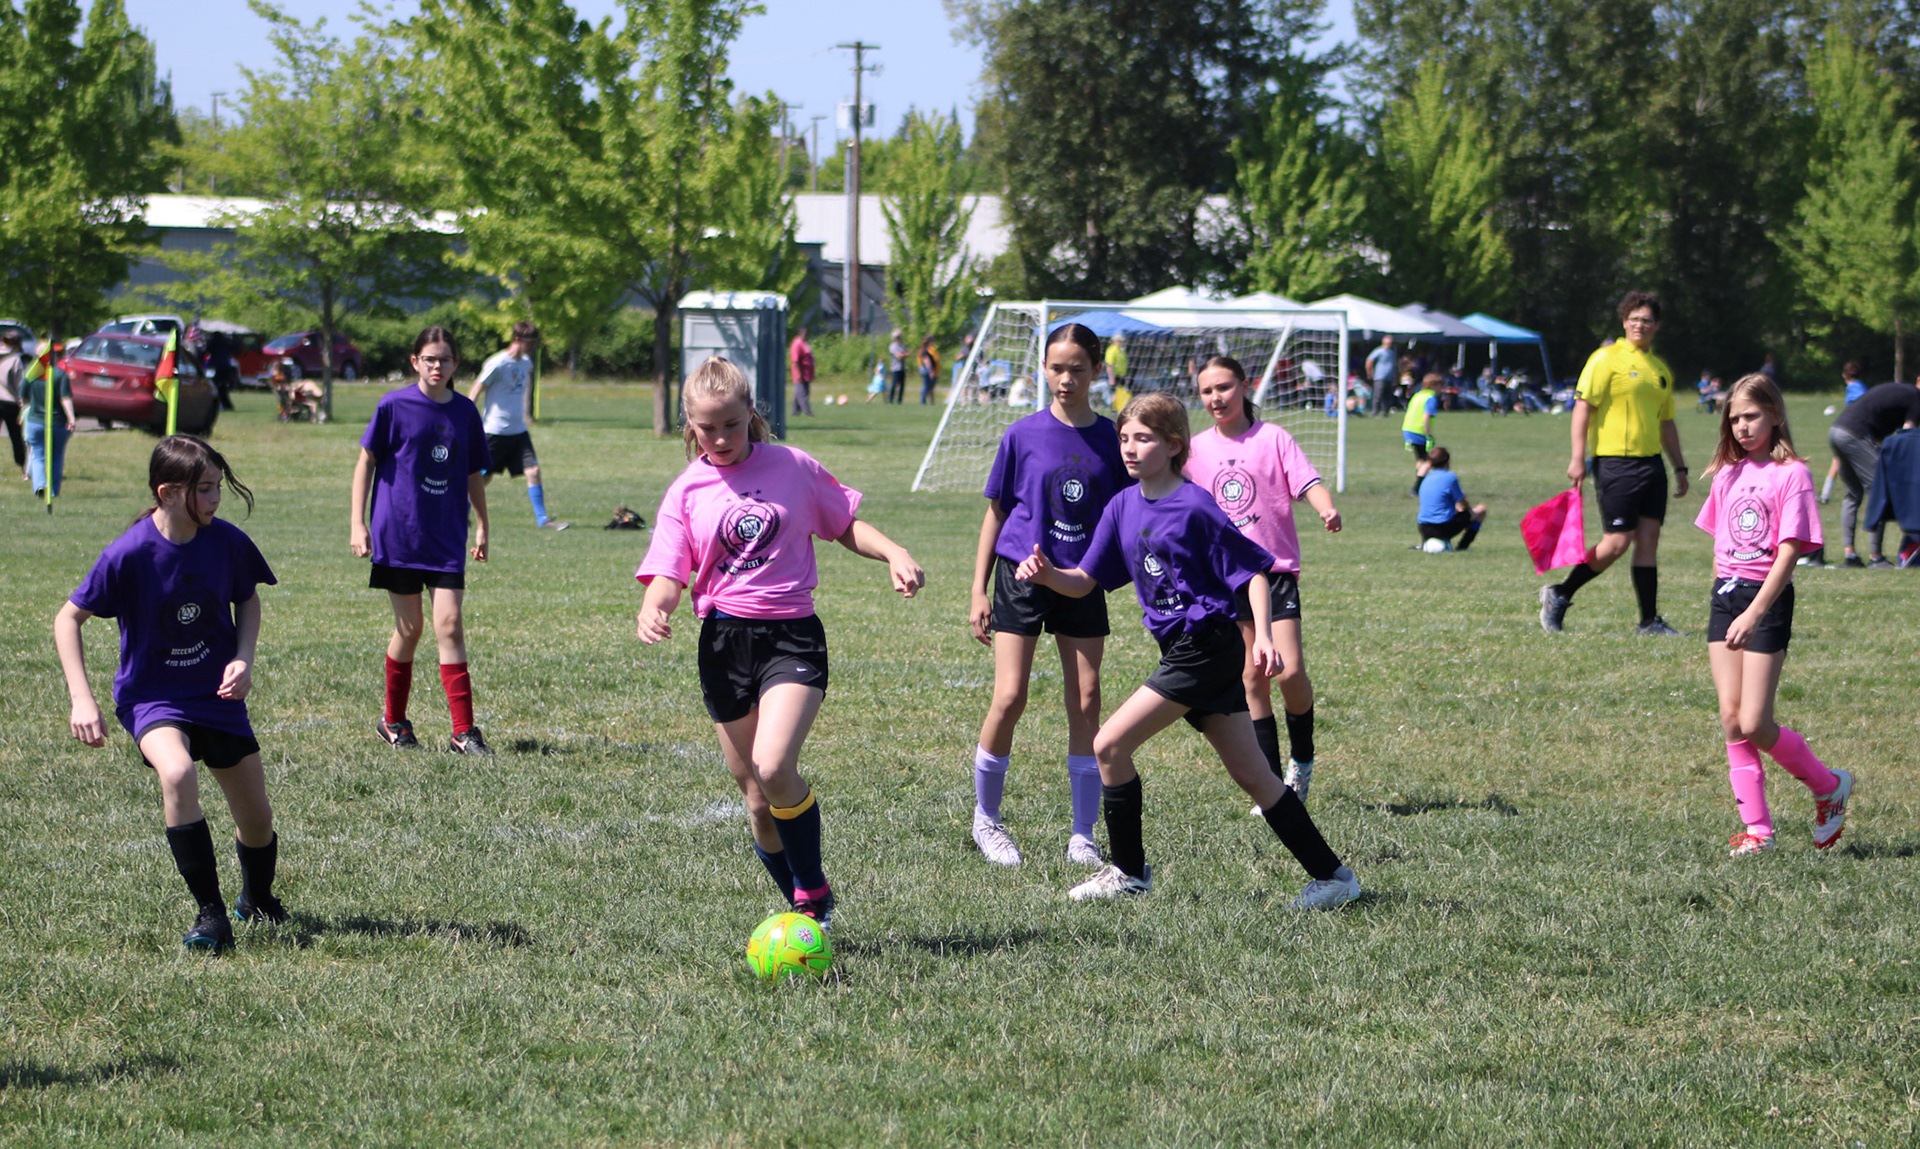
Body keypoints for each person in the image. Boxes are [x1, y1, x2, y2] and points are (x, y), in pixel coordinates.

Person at [1014, 393, 1362, 909]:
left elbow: (1254, 573)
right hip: (1184, 649)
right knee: (1255, 776)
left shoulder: (1196, 505)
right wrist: (1048, 575)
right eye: (1124, 438)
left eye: (1144, 438)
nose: (1130, 448)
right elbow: (1084, 580)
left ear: (1174, 445)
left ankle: (1129, 873)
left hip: (1206, 647)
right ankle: (1335, 877)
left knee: (1109, 745)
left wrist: (1265, 637)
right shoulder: (1121, 506)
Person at [635, 356, 925, 928]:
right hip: (724, 644)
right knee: (756, 801)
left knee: (772, 765)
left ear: (751, 413)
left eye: (732, 424)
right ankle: (803, 907)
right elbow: (669, 571)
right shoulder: (686, 491)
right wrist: (654, 606)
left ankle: (811, 892)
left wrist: (894, 552)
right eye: (708, 428)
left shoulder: (792, 466)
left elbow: (843, 524)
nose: (721, 438)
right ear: (690, 425)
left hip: (791, 634)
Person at [53, 436, 287, 951]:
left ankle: (256, 898)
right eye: (204, 489)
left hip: (217, 697)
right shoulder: (130, 553)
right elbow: (68, 619)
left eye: (218, 487)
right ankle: (211, 915)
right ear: (168, 492)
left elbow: (247, 599)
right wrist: (81, 698)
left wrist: (243, 658)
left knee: (257, 819)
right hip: (152, 698)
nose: (215, 498)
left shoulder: (226, 542)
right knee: (177, 772)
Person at [968, 323, 1133, 869]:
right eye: (1057, 368)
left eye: (1077, 369)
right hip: (1021, 575)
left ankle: (1083, 834)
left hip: (1080, 579)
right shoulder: (1022, 435)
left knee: (1087, 699)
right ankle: (987, 821)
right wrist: (978, 589)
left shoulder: (1112, 439)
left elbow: (1127, 514)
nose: (1066, 379)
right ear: (1043, 368)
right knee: (1010, 696)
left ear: (1096, 372)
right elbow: (996, 513)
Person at [1694, 374, 1852, 857]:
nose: (1742, 427)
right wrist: (1724, 595)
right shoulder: (1727, 473)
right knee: (1730, 718)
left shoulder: (1793, 474)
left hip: (1765, 600)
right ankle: (1757, 830)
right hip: (1726, 597)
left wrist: (1755, 611)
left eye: (1752, 416)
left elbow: (1789, 552)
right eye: (1734, 419)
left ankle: (1828, 787)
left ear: (1776, 415)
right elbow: (1721, 542)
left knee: (1755, 721)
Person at [1185, 355, 1341, 807]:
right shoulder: (1195, 450)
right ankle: (1272, 784)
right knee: (1252, 676)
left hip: (1274, 573)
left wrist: (1326, 507)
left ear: (1243, 386)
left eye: (1224, 387)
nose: (1216, 397)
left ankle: (1302, 758)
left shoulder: (1273, 438)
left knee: (1288, 669)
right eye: (1207, 391)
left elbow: (1307, 482)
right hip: (1227, 579)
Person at [350, 325, 494, 756]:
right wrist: (358, 523)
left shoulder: (465, 412)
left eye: (445, 359)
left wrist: (482, 523)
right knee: (410, 628)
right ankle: (392, 721)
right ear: (415, 362)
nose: (437, 366)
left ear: (455, 364)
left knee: (450, 624)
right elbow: (366, 461)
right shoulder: (393, 406)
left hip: (446, 535)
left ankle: (464, 732)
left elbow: (473, 472)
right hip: (399, 532)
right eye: (429, 358)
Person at [1539, 291, 1690, 636]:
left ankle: (1649, 621)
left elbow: (1666, 422)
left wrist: (1679, 467)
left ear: (1657, 325)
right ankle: (1560, 593)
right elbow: (1583, 407)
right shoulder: (1605, 359)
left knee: (1648, 541)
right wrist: (1578, 457)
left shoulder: (1660, 370)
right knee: (1617, 543)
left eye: (1647, 320)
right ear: (1624, 322)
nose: (1640, 325)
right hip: (1615, 463)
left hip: (1652, 465)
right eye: (1634, 319)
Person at [470, 322, 567, 531]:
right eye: (529, 342)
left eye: (535, 343)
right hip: (494, 431)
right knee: (483, 477)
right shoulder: (497, 363)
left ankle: (543, 520)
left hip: (518, 431)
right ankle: (459, 512)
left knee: (533, 471)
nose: (533, 347)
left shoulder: (526, 363)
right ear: (516, 339)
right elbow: (477, 388)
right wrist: (466, 418)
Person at [1826, 372, 1920, 568]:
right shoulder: (1916, 399)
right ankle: (1876, 557)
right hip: (1855, 434)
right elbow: (1907, 437)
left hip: (1837, 430)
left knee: (1853, 494)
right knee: (1880, 490)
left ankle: (1850, 555)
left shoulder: (1902, 391)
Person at [23, 342, 74, 499]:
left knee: (38, 455)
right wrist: (71, 418)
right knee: (56, 456)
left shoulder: (31, 374)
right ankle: (53, 490)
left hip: (35, 421)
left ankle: (40, 485)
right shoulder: (60, 375)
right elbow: (65, 398)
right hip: (57, 422)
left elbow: (23, 396)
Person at [1416, 447, 1487, 551]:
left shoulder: (1426, 478)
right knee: (1481, 509)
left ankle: (1424, 543)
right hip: (1442, 529)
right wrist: (1467, 515)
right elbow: (1463, 503)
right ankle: (1463, 547)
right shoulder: (1450, 477)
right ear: (1448, 462)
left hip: (1423, 528)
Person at [1402, 372, 1440, 494]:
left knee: (1421, 459)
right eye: (1440, 386)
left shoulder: (1418, 395)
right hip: (1419, 432)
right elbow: (1426, 416)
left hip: (1408, 429)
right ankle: (1416, 488)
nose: (1441, 389)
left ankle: (1423, 484)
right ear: (1433, 386)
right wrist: (1428, 435)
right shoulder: (1430, 397)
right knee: (1429, 461)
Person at [0, 331, 29, 480]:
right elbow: (19, 384)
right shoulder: (15, 359)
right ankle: (22, 466)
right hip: (9, 402)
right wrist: (23, 400)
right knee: (16, 436)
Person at [1365, 335, 1397, 416]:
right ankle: (1375, 411)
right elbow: (1369, 360)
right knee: (1378, 395)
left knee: (1386, 395)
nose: (1390, 344)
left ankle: (1385, 411)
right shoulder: (1379, 351)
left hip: (1389, 377)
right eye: (1388, 343)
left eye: (1391, 343)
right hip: (1380, 376)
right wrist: (1369, 372)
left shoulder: (1391, 352)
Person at [788, 326, 815, 416]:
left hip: (806, 372)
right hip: (800, 371)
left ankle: (795, 411)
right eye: (804, 333)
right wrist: (798, 373)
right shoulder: (797, 343)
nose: (806, 335)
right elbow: (795, 360)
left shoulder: (804, 343)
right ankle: (807, 411)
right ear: (800, 333)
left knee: (800, 391)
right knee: (802, 392)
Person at [887, 330, 908, 404]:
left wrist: (903, 354)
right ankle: (890, 399)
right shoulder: (893, 346)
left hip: (902, 367)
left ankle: (899, 400)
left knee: (902, 384)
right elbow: (898, 356)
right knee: (894, 384)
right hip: (895, 368)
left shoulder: (902, 346)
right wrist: (903, 354)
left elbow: (908, 353)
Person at [918, 335, 940, 405]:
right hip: (927, 369)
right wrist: (931, 371)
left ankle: (930, 401)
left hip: (926, 369)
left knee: (929, 386)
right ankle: (922, 401)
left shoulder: (924, 349)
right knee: (927, 386)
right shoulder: (927, 350)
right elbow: (927, 361)